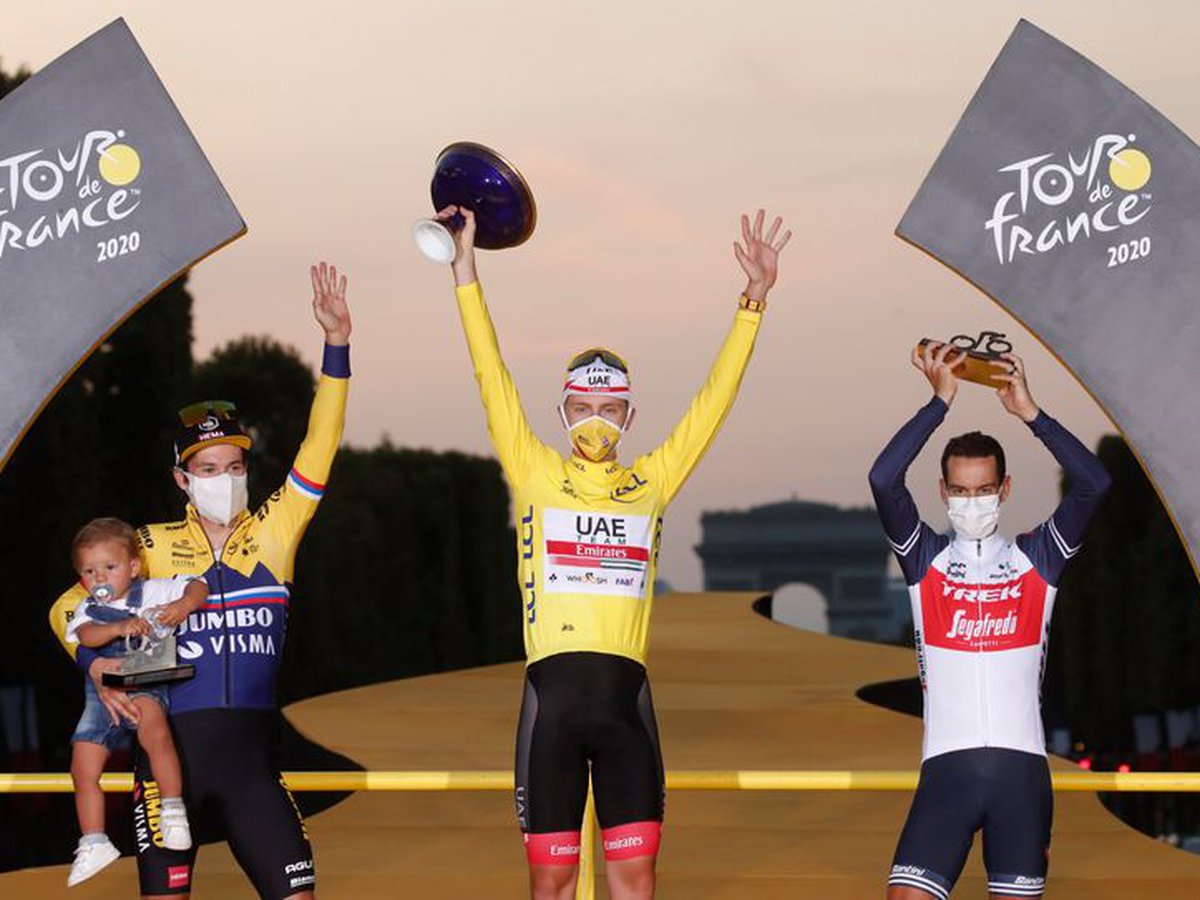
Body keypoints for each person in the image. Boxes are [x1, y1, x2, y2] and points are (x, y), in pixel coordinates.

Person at [444, 205, 790, 900]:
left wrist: (753, 303)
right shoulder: (535, 471)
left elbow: (712, 404)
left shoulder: (651, 481)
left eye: (609, 410)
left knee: (636, 882)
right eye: (582, 409)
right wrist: (465, 272)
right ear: (562, 414)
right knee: (552, 883)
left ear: (630, 416)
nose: (595, 422)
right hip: (550, 703)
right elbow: (491, 374)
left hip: (627, 704)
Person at [49, 261, 351, 900]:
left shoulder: (275, 533)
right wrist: (93, 664)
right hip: (168, 768)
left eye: (235, 466)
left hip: (252, 769)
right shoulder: (149, 549)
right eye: (208, 469)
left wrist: (336, 346)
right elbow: (65, 606)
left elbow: (320, 448)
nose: (225, 479)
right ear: (182, 479)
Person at [868, 343, 1112, 900]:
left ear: (1005, 489)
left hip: (1020, 778)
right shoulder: (924, 558)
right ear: (942, 492)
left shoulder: (1037, 558)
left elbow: (1095, 483)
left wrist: (1030, 413)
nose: (971, 502)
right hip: (946, 774)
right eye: (959, 491)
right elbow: (884, 479)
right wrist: (939, 402)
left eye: (982, 490)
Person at [66, 518, 209, 887]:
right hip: (103, 697)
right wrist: (117, 628)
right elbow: (86, 636)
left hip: (145, 684)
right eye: (89, 571)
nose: (99, 577)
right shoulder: (87, 609)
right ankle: (93, 840)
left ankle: (172, 810)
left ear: (133, 567)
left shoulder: (153, 591)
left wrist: (184, 605)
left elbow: (199, 584)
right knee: (82, 763)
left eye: (109, 567)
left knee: (155, 731)